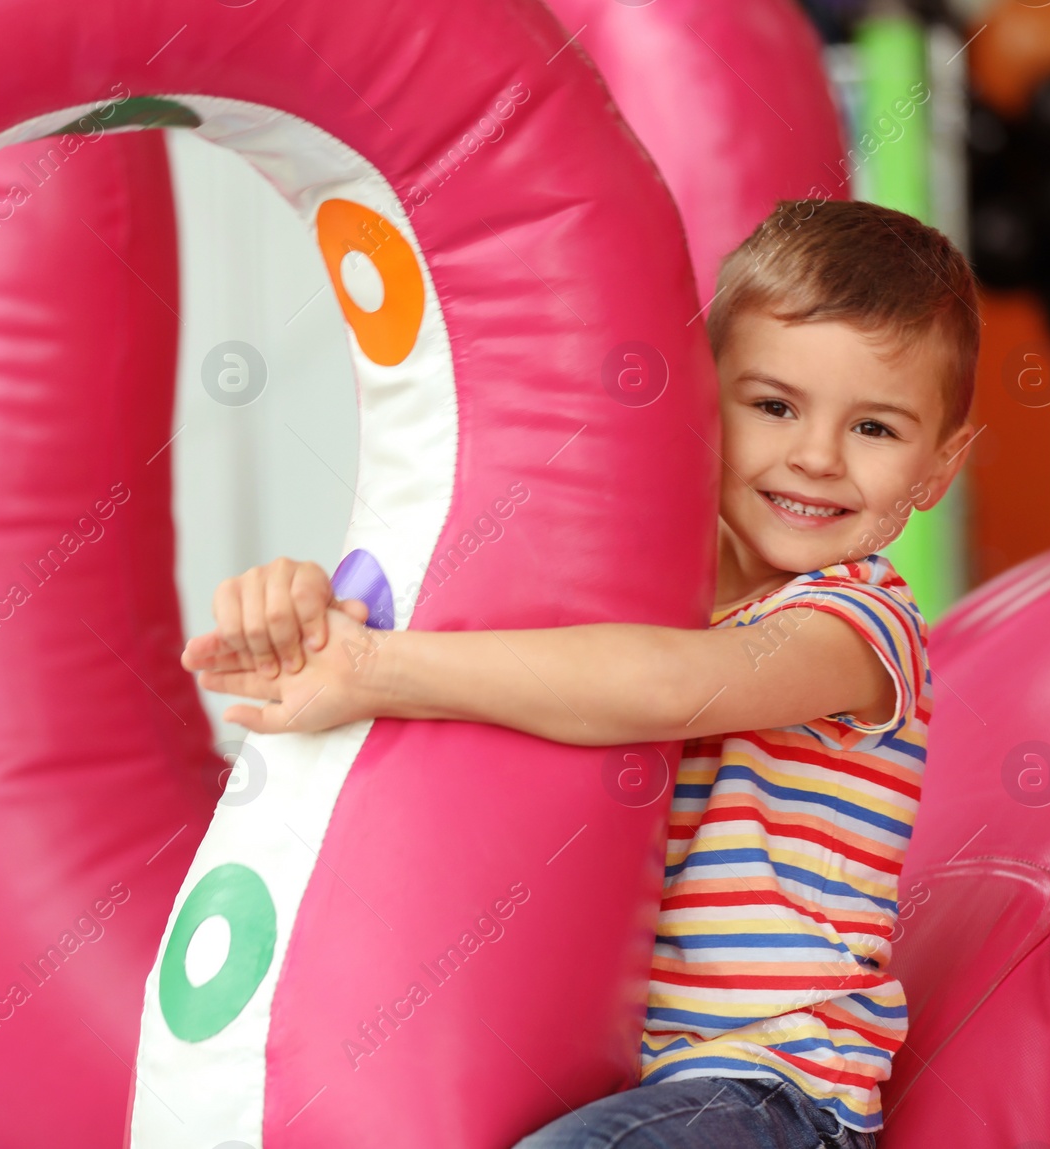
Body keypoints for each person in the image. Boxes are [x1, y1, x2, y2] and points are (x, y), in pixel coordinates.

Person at [181, 199, 980, 1148]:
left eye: (876, 429)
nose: (814, 456)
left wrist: (379, 666)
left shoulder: (862, 621)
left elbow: (672, 687)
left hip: (770, 1092)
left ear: (940, 465)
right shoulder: (636, 584)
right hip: (606, 1069)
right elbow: (490, 626)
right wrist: (314, 606)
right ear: (701, 396)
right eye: (773, 405)